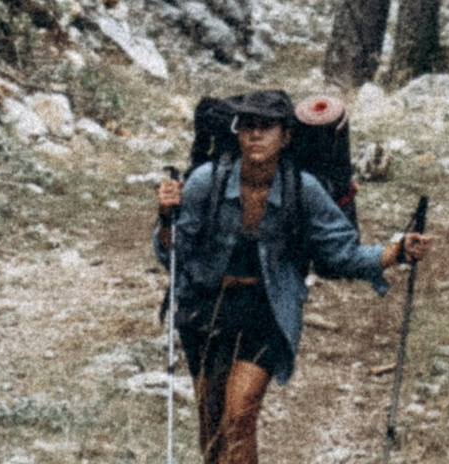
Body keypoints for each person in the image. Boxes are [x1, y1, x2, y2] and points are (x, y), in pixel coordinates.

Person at [153, 88, 430, 464]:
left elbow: (340, 253)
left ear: (286, 136)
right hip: (206, 311)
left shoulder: (304, 190)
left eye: (266, 127)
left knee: (240, 415)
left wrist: (396, 252)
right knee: (213, 426)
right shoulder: (207, 181)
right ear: (236, 133)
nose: (255, 135)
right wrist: (166, 217)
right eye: (248, 126)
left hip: (266, 311)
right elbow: (173, 254)